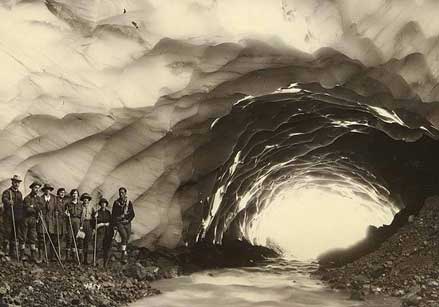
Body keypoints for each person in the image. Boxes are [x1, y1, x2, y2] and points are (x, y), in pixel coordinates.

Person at [1, 175, 24, 261]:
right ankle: (4, 251)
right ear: (12, 182)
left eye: (18, 182)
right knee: (7, 232)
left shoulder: (20, 193)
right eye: (15, 182)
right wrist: (8, 201)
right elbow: (4, 199)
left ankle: (12, 251)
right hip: (8, 215)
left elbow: (21, 204)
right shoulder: (7, 192)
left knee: (14, 234)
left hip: (17, 216)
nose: (17, 184)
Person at [111, 187, 135, 263]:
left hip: (127, 223)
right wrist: (115, 224)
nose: (121, 194)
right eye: (120, 193)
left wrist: (128, 220)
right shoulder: (116, 203)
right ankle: (123, 255)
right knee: (124, 236)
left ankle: (123, 250)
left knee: (127, 238)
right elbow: (113, 214)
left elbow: (132, 214)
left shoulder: (129, 203)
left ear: (125, 193)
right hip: (119, 223)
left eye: (122, 193)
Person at [38, 183, 60, 262]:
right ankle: (41, 257)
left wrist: (56, 212)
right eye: (46, 189)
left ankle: (50, 256)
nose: (47, 191)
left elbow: (56, 208)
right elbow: (38, 208)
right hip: (43, 220)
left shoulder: (54, 199)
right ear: (44, 190)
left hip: (51, 221)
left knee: (50, 238)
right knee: (42, 239)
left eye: (49, 189)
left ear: (50, 190)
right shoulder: (40, 198)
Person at [22, 181, 42, 263]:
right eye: (35, 187)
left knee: (33, 237)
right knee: (23, 236)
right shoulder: (27, 198)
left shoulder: (39, 198)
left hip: (34, 219)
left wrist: (33, 207)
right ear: (32, 188)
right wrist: (34, 208)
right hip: (26, 219)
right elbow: (27, 209)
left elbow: (40, 208)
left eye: (38, 188)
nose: (37, 189)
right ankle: (22, 255)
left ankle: (33, 256)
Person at [64, 189, 82, 262]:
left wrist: (81, 225)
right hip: (70, 220)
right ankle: (67, 256)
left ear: (78, 195)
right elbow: (65, 212)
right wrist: (66, 214)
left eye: (76, 194)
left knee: (76, 238)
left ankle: (74, 256)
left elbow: (82, 215)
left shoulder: (80, 204)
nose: (75, 195)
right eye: (73, 193)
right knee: (69, 238)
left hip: (77, 221)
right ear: (72, 195)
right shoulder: (68, 204)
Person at [92, 198, 111, 262]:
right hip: (100, 231)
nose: (103, 204)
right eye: (102, 203)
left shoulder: (108, 212)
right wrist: (95, 218)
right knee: (98, 246)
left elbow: (110, 221)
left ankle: (105, 262)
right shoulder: (97, 212)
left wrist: (107, 224)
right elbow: (95, 222)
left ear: (106, 204)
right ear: (100, 204)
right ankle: (96, 261)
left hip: (107, 232)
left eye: (105, 203)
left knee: (106, 246)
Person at [79, 193, 93, 265]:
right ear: (82, 200)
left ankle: (85, 259)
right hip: (81, 224)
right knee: (81, 241)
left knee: (87, 242)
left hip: (89, 224)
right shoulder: (80, 207)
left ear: (89, 200)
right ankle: (80, 259)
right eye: (84, 198)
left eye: (87, 198)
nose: (86, 199)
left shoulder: (91, 208)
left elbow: (93, 217)